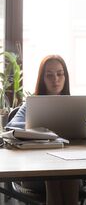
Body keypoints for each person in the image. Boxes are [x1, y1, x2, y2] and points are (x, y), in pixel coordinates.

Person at [7, 55, 79, 205]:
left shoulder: (76, 104)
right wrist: (40, 130)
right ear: (42, 79)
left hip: (72, 165)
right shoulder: (31, 104)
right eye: (49, 75)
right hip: (36, 172)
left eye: (60, 74)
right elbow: (11, 128)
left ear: (65, 77)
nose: (56, 79)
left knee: (69, 171)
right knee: (56, 172)